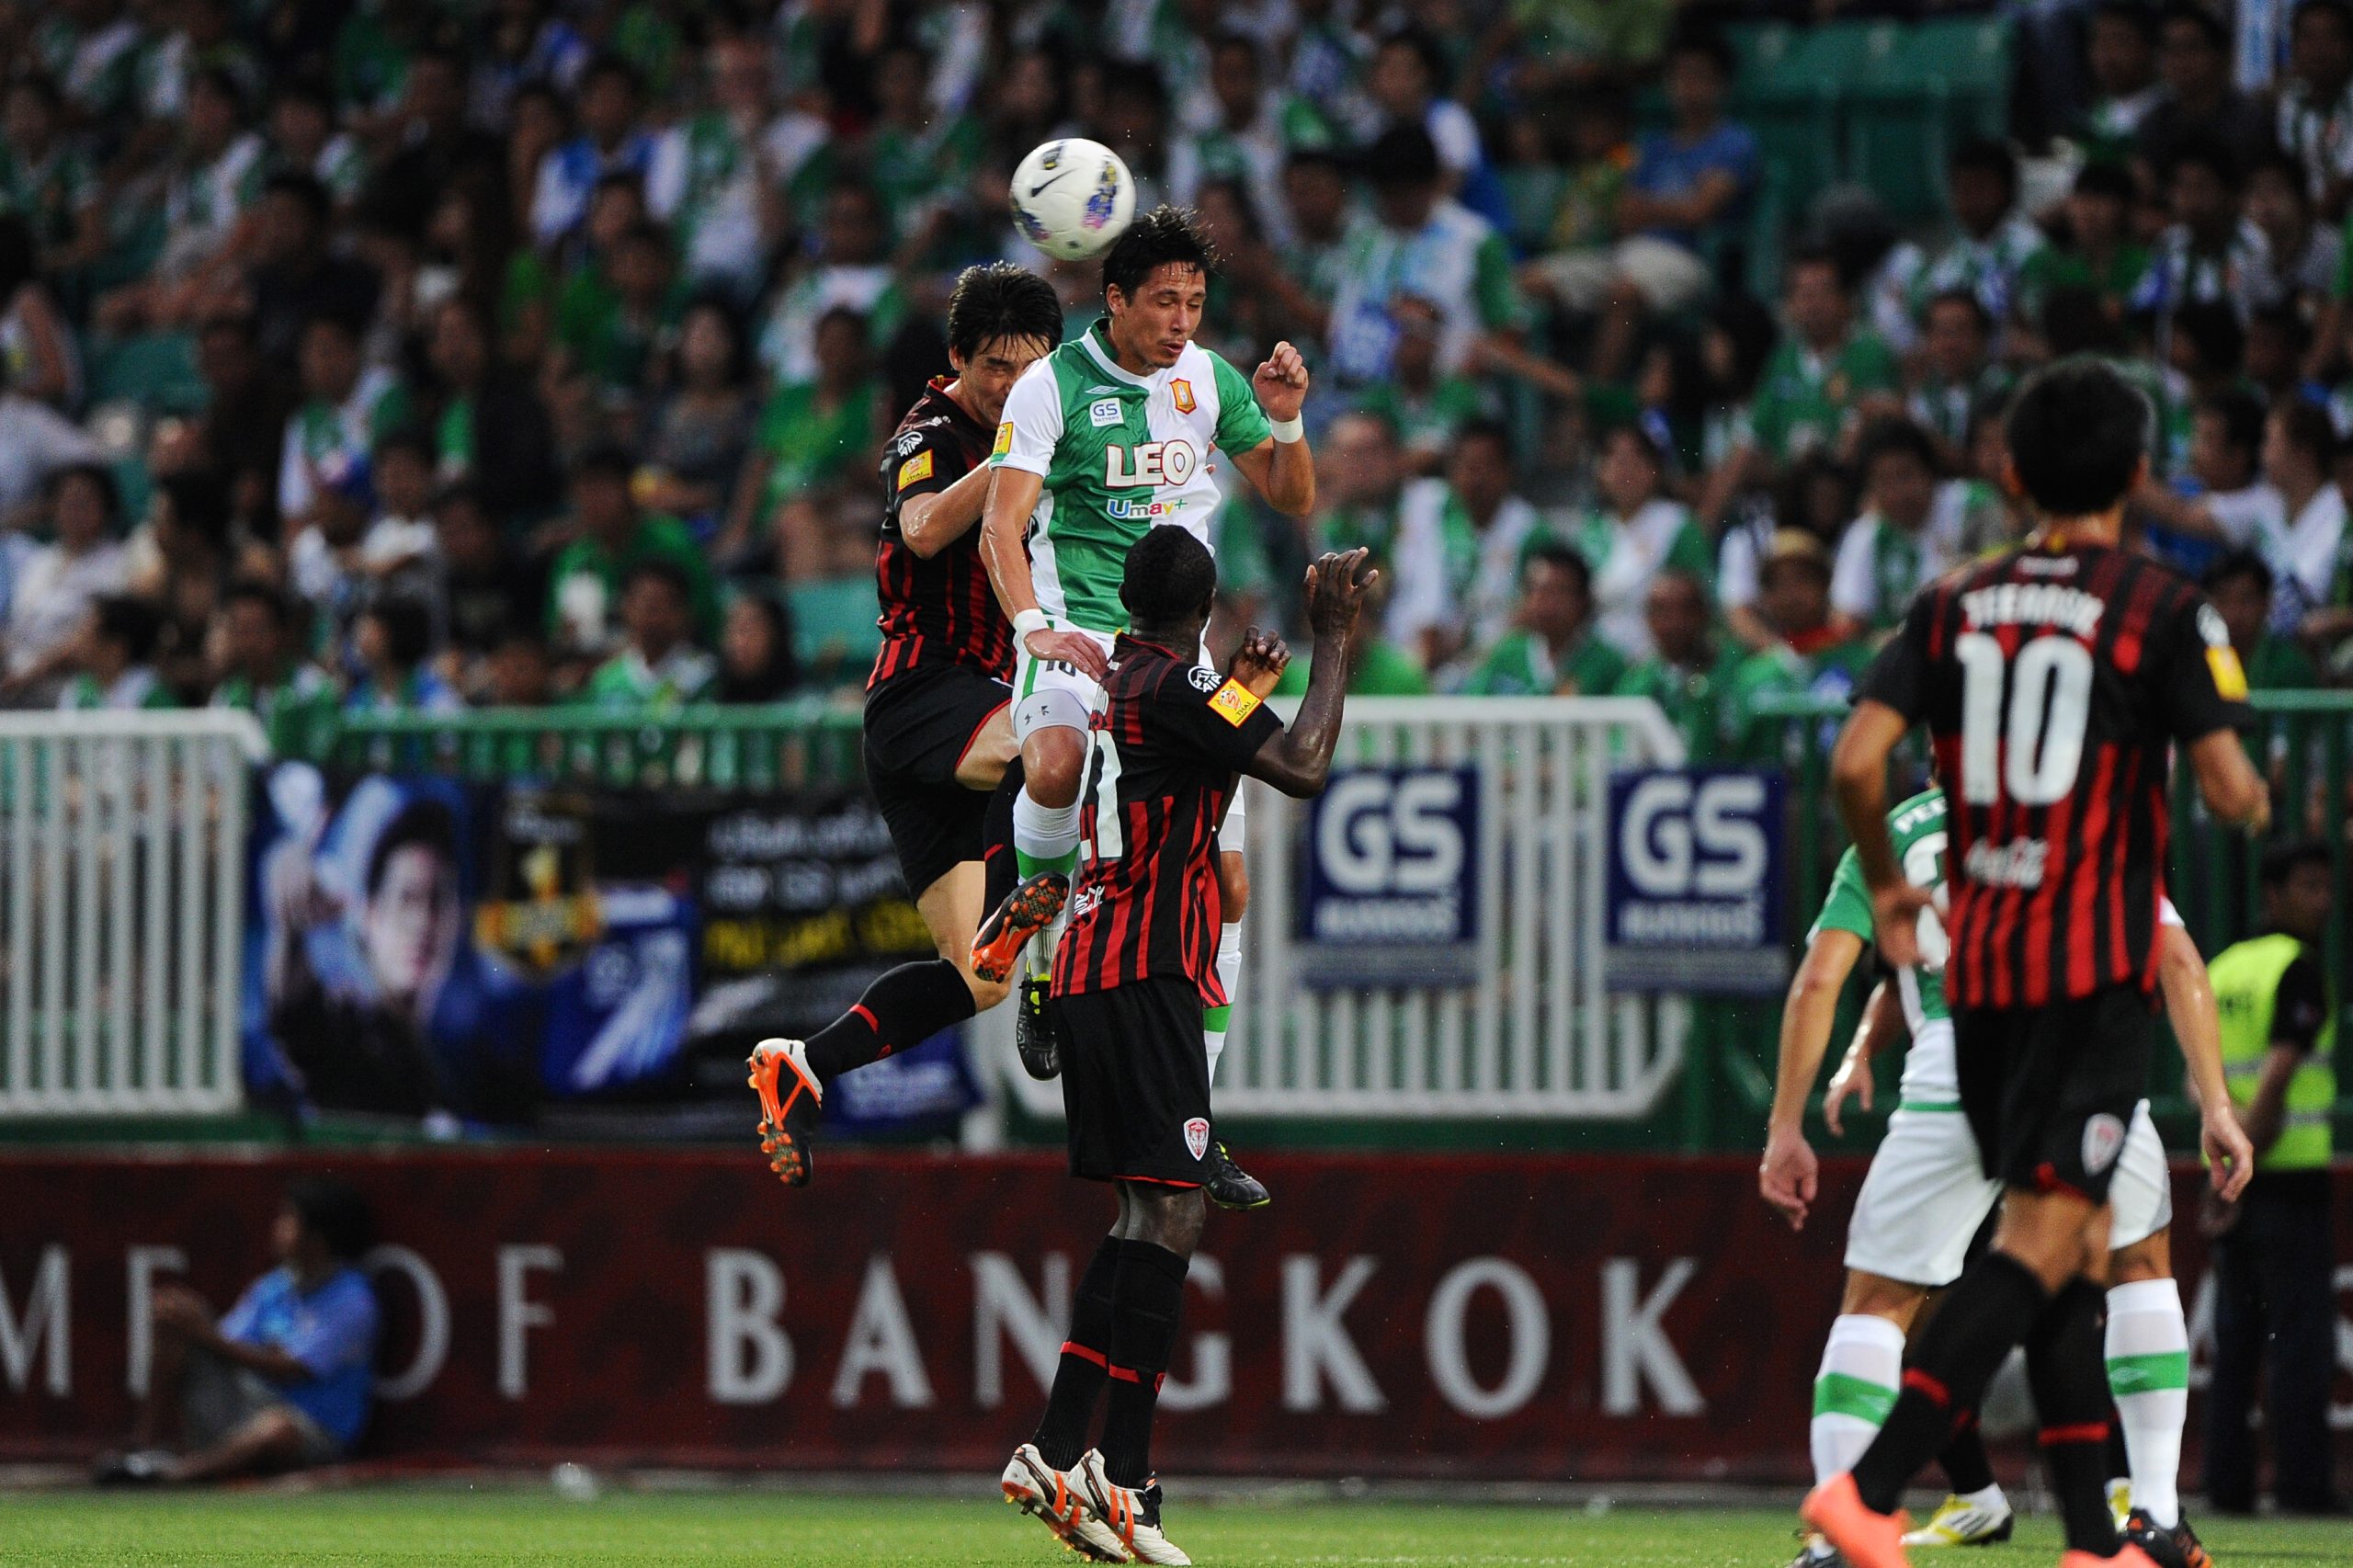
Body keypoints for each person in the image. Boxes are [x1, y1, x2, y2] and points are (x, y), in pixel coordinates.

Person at [1806, 358, 2268, 1568]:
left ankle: (2104, 1536)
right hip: (2090, 982)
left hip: (1982, 997)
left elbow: (1859, 764)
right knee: (2052, 1248)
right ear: (2137, 476)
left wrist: (1895, 881)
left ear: (2009, 474)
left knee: (2066, 1272)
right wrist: (2244, 782)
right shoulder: (2167, 608)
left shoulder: (1953, 601)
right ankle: (1870, 1486)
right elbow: (2229, 789)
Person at [1000, 529, 1373, 1568]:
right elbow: (1299, 764)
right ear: (1206, 604)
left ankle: (1058, 1448)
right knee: (1174, 1205)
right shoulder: (1170, 687)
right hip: (1143, 972)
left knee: (1142, 1205)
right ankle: (1124, 1482)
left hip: (1089, 965)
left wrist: (1242, 687)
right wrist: (1333, 638)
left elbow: (1211, 756)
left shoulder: (1120, 681)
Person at [1765, 785, 2243, 1565]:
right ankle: (2147, 1514)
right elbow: (2178, 958)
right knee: (2131, 1267)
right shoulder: (2085, 812)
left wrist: (1786, 1124)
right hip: (2084, 1064)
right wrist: (2218, 1105)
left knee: (1884, 1302)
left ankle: (1846, 1527)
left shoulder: (1891, 838)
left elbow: (1824, 978)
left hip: (1956, 1068)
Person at [971, 208, 1315, 1210]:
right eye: (1162, 299)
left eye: (1195, 302)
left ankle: (1198, 1121)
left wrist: (1286, 415)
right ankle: (1038, 962)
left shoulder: (1206, 378)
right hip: (1079, 638)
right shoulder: (1049, 387)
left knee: (1233, 891)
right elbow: (1000, 521)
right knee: (1048, 767)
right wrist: (1032, 623)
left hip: (1176, 656)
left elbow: (1290, 495)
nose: (1179, 319)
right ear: (1113, 298)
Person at [746, 264, 1060, 1185]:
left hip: (953, 724)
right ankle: (1032, 949)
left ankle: (799, 1063)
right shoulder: (928, 433)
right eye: (994, 366)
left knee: (974, 977)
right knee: (1050, 750)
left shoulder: (1040, 427)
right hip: (928, 693)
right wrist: (1016, 452)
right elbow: (923, 529)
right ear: (957, 358)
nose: (1010, 385)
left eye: (1029, 368)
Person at [2202, 839, 2342, 1517]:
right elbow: (2280, 1079)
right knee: (2298, 1345)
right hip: (2284, 1180)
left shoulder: (2224, 970)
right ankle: (2303, 1489)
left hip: (2231, 1176)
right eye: (2310, 887)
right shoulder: (2297, 969)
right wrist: (2246, 1164)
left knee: (2235, 1346)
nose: (2324, 901)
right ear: (2272, 895)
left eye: (2327, 887)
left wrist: (2221, 1177)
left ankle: (2225, 1490)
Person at [95, 1177, 380, 1484]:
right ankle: (141, 1449)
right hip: (247, 1407)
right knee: (174, 1318)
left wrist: (204, 1332)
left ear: (319, 1238)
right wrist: (193, 1326)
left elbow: (290, 1369)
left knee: (276, 1429)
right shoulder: (274, 1287)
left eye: (289, 1220)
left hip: (312, 1431)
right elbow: (229, 1342)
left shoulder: (353, 1301)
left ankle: (171, 1476)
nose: (278, 1227)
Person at [1461, 542, 1626, 696]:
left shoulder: (1609, 665)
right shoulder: (1505, 654)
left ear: (1583, 600)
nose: (1545, 603)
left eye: (1559, 592)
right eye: (1537, 591)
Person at [1612, 570, 1741, 764]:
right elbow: (1619, 745)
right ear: (1647, 618)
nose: (1674, 622)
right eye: (1661, 611)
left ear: (1704, 613)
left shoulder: (1732, 666)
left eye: (1685, 610)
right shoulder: (1636, 679)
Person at [575, 560, 716, 710]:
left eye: (665, 607)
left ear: (683, 613)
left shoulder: (703, 672)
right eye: (648, 607)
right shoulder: (607, 679)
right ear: (626, 608)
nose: (655, 619)